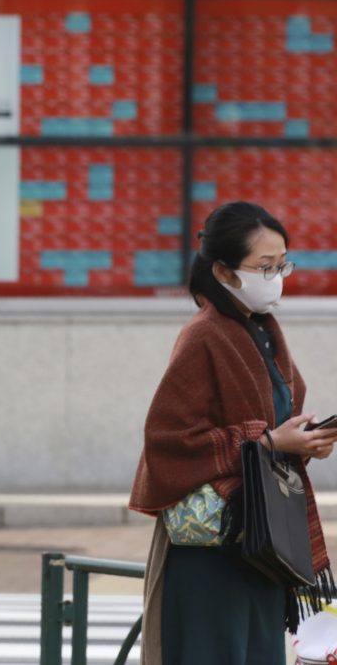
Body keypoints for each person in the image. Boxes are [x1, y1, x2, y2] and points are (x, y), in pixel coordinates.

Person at [130, 201, 337, 664]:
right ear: (223, 272)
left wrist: (302, 442)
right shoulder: (205, 334)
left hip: (261, 543)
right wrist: (267, 442)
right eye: (264, 266)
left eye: (282, 264)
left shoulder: (262, 330)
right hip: (215, 546)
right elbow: (167, 439)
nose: (277, 276)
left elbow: (275, 418)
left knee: (257, 652)